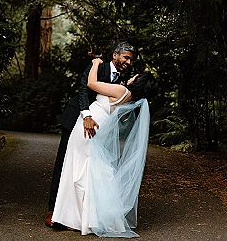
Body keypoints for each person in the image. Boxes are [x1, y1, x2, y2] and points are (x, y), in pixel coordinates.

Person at [51, 57, 158, 237]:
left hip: (88, 130)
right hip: (92, 130)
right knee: (86, 171)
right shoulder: (129, 98)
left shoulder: (122, 90)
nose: (133, 76)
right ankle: (86, 218)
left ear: (139, 82)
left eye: (137, 76)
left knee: (77, 170)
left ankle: (80, 219)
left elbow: (91, 83)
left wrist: (95, 63)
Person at [46, 42, 136, 227]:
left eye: (130, 59)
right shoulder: (98, 66)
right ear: (115, 55)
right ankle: (53, 211)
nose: (128, 62)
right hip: (76, 120)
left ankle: (77, 214)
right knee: (64, 164)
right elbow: (83, 90)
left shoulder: (121, 78)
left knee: (87, 168)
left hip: (97, 128)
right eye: (126, 57)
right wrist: (86, 116)